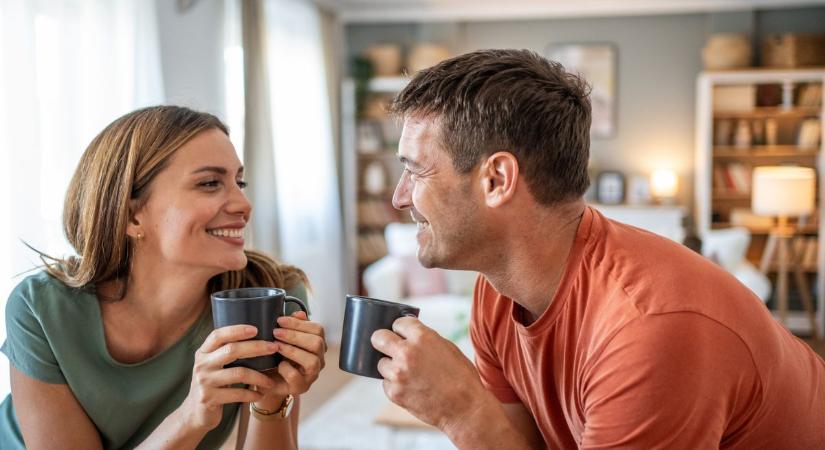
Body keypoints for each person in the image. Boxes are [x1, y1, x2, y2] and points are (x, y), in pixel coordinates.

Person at [369, 49, 825, 449]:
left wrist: (462, 410)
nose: (400, 197)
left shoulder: (650, 329)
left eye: (416, 171)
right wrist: (470, 412)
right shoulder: (498, 291)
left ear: (497, 180)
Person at [0, 106, 327, 449]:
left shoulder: (268, 295)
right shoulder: (41, 308)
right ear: (131, 216)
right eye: (209, 183)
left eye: (238, 182)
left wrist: (270, 398)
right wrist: (190, 416)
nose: (243, 203)